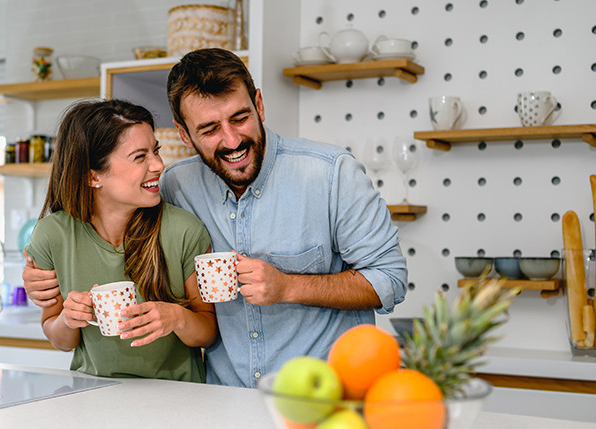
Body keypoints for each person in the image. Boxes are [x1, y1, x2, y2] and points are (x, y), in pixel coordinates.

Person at [24, 49, 407, 387]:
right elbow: (108, 231)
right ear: (184, 133)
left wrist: (288, 286)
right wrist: (40, 276)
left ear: (259, 104)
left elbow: (390, 280)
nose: (231, 140)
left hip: (324, 394)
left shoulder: (331, 174)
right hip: (223, 399)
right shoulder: (175, 185)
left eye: (239, 118)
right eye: (208, 128)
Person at [24, 99, 216, 383]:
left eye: (156, 151)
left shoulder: (184, 231)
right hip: (93, 397)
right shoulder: (52, 236)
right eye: (140, 157)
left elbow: (209, 332)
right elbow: (60, 340)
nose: (158, 165)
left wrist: (176, 317)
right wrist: (68, 319)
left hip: (177, 402)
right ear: (93, 176)